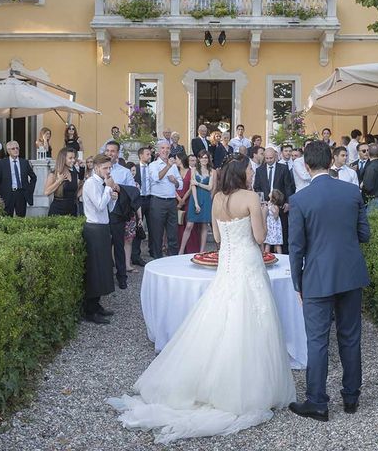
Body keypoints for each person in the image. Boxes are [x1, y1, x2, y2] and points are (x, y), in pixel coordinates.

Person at [109, 153, 295, 443]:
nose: (252, 173)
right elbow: (260, 237)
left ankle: (209, 381)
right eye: (249, 169)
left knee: (220, 315)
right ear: (241, 172)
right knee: (251, 317)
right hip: (247, 263)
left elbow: (218, 238)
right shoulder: (249, 197)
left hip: (227, 264)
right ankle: (246, 387)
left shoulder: (218, 198)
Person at [288, 140, 370, 422]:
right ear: (331, 160)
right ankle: (351, 397)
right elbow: (364, 234)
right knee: (350, 336)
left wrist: (298, 283)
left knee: (317, 340)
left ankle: (317, 402)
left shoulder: (300, 199)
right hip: (350, 272)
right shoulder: (351, 192)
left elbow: (296, 248)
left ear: (306, 165)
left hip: (318, 276)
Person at [82, 154, 119, 324]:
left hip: (103, 227)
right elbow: (98, 205)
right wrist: (108, 189)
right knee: (95, 269)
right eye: (105, 168)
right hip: (94, 229)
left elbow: (106, 207)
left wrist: (113, 198)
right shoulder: (90, 183)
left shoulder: (101, 183)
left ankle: (96, 305)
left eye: (109, 167)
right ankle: (90, 310)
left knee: (102, 267)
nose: (108, 171)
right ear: (96, 167)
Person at [104, 141, 138, 290]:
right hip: (101, 212)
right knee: (103, 247)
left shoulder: (124, 172)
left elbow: (133, 191)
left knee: (119, 246)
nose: (110, 153)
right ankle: (105, 277)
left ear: (117, 153)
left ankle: (122, 276)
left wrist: (118, 187)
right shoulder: (99, 170)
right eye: (108, 151)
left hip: (117, 214)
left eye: (113, 151)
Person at [253, 147, 294, 253]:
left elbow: (288, 186)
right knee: (266, 231)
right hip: (265, 205)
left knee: (282, 231)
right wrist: (261, 200)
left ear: (275, 156)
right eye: (266, 158)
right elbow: (256, 187)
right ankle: (267, 255)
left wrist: (288, 202)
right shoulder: (259, 170)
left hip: (280, 204)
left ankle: (283, 255)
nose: (269, 160)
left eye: (271, 158)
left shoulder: (283, 168)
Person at [148, 141, 183, 258]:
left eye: (168, 148)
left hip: (171, 202)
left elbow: (181, 184)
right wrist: (168, 166)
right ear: (158, 150)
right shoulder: (153, 165)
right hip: (158, 201)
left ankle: (172, 259)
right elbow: (156, 178)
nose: (165, 150)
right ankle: (157, 259)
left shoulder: (174, 166)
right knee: (157, 233)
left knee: (173, 233)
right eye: (163, 148)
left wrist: (176, 182)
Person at [180, 150, 215, 253]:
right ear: (199, 159)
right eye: (202, 157)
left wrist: (198, 183)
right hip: (195, 199)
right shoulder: (194, 170)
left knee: (204, 226)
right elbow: (193, 187)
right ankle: (181, 250)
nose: (204, 159)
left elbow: (210, 187)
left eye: (206, 157)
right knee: (189, 225)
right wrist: (195, 203)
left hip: (206, 199)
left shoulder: (211, 171)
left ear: (208, 159)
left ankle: (201, 251)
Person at [0, 141, 37, 217]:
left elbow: (33, 177)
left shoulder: (24, 162)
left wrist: (29, 190)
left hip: (21, 194)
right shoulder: (2, 163)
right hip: (7, 194)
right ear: (8, 151)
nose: (16, 150)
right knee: (6, 218)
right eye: (13, 148)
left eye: (17, 148)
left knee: (21, 218)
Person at [131, 147, 153, 266]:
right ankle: (135, 255)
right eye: (147, 154)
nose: (150, 156)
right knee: (138, 227)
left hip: (150, 199)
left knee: (153, 226)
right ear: (141, 156)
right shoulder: (134, 168)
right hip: (138, 200)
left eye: (150, 154)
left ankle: (154, 251)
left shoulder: (152, 168)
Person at [175, 154, 199, 255]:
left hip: (188, 200)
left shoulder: (191, 171)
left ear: (180, 160)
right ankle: (179, 248)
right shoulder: (174, 170)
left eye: (176, 158)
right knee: (178, 224)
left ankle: (191, 248)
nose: (175, 160)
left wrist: (183, 199)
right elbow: (171, 185)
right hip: (176, 199)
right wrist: (178, 199)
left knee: (189, 225)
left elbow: (191, 187)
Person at [44, 147, 79, 216]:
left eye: (74, 158)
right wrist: (59, 181)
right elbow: (46, 192)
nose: (73, 160)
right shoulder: (53, 174)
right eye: (70, 158)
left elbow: (76, 193)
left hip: (72, 211)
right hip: (57, 211)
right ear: (63, 159)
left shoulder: (74, 173)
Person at [124, 162, 142, 273]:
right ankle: (116, 262)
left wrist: (139, 217)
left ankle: (127, 264)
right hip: (120, 215)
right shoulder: (121, 184)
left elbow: (137, 202)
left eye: (134, 170)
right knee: (116, 240)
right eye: (131, 170)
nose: (132, 173)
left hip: (131, 215)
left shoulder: (136, 186)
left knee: (129, 240)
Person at [264, 189, 284, 254]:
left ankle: (280, 255)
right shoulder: (269, 203)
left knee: (277, 243)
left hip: (275, 227)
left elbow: (276, 216)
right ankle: (266, 256)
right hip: (270, 226)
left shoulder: (275, 206)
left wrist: (271, 207)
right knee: (268, 242)